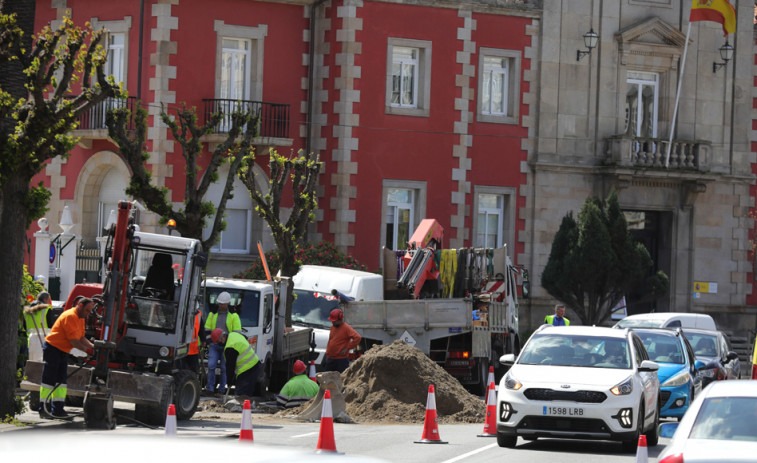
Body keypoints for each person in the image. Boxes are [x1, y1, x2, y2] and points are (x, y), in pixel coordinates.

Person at [39, 297, 95, 418]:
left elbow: (81, 337)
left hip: (62, 351)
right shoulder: (70, 316)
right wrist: (88, 351)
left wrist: (93, 346)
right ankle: (43, 409)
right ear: (80, 306)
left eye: (90, 311)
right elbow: (74, 341)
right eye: (87, 310)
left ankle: (58, 410)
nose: (89, 314)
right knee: (49, 380)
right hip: (53, 349)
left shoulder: (80, 318)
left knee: (61, 381)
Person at [203, 291, 241, 395]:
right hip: (215, 345)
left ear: (228, 303)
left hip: (227, 346)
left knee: (225, 368)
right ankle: (210, 389)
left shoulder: (234, 316)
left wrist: (227, 341)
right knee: (211, 366)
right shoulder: (213, 314)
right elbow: (207, 329)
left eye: (222, 304)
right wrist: (210, 341)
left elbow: (237, 333)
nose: (220, 305)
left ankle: (221, 390)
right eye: (219, 303)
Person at [210, 328, 260, 399]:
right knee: (246, 395)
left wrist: (229, 381)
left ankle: (241, 408)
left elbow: (230, 366)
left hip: (248, 369)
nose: (219, 344)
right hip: (254, 365)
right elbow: (245, 337)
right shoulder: (233, 334)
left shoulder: (230, 347)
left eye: (219, 342)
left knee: (240, 395)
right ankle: (245, 408)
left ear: (223, 337)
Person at [324, 308, 361, 373]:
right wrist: (327, 354)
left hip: (341, 360)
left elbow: (357, 337)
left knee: (341, 379)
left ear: (340, 319)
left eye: (334, 321)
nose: (333, 322)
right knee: (327, 378)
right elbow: (330, 340)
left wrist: (347, 348)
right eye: (332, 321)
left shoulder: (346, 328)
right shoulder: (333, 327)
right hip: (331, 359)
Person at [23, 292, 55, 362]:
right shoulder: (46, 309)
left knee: (32, 361)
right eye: (48, 300)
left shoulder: (27, 311)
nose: (49, 302)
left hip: (30, 339)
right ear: (45, 299)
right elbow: (51, 325)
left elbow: (24, 326)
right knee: (43, 361)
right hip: (44, 338)